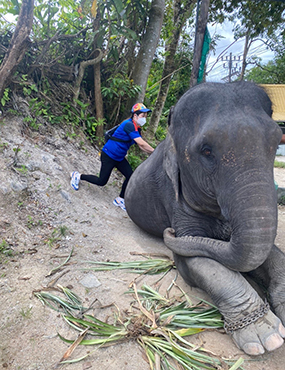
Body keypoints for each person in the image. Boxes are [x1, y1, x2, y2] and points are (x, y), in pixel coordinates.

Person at [70, 103, 154, 211]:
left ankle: (120, 199)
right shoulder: (129, 125)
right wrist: (155, 151)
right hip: (109, 155)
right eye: (143, 116)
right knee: (101, 181)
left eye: (146, 116)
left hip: (119, 158)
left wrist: (152, 153)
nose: (144, 119)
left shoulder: (137, 129)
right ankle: (77, 176)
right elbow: (141, 143)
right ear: (135, 116)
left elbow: (141, 146)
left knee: (130, 175)